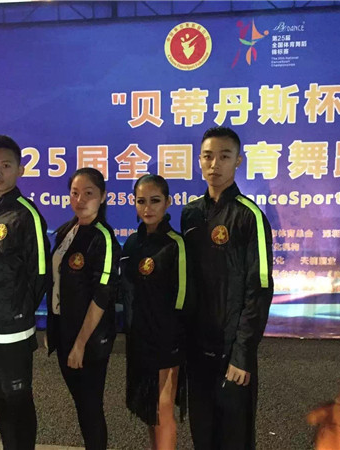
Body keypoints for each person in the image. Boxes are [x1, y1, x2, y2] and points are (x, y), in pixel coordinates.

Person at [181, 126, 273, 450]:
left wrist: (242, 354)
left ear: (238, 161)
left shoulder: (250, 217)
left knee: (234, 439)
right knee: (202, 436)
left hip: (232, 352)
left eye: (224, 156)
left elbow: (259, 289)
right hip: (197, 350)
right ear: (199, 160)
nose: (214, 164)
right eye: (208, 156)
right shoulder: (190, 214)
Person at [0, 135, 51, 450]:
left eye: (6, 165)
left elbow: (40, 273)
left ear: (20, 170)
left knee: (18, 402)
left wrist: (18, 310)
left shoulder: (26, 215)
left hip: (12, 333)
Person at [46, 167, 120, 450]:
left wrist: (80, 344)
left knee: (90, 407)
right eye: (75, 193)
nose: (80, 200)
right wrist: (53, 327)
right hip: (64, 330)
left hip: (89, 338)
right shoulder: (67, 231)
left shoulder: (103, 238)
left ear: (103, 196)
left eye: (88, 193)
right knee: (81, 403)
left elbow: (102, 296)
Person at [120, 174, 188, 450]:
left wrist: (174, 341)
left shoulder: (175, 244)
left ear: (168, 202)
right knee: (149, 410)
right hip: (139, 340)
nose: (147, 208)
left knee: (162, 410)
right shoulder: (131, 244)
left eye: (155, 200)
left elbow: (183, 299)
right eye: (141, 201)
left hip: (166, 342)